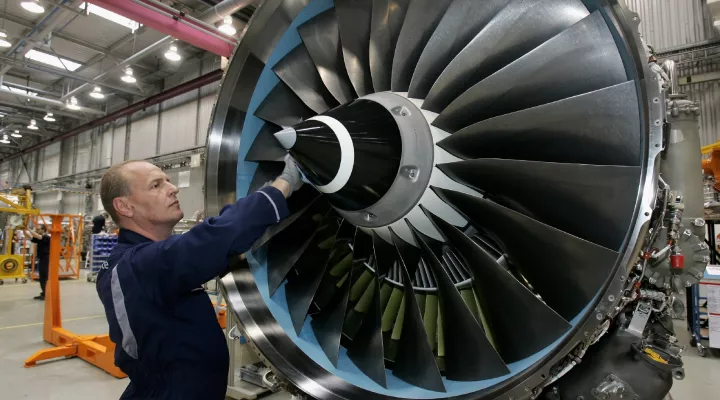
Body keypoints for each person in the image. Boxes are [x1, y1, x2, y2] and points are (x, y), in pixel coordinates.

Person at [96, 155, 302, 399]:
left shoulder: (145, 260)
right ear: (125, 207)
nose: (173, 189)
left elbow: (200, 246)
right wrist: (285, 183)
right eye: (156, 185)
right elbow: (213, 240)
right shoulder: (135, 265)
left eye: (168, 181)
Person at [25, 225, 50, 300]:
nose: (37, 230)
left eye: (38, 229)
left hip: (46, 259)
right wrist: (24, 230)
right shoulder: (40, 238)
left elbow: (37, 236)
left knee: (44, 277)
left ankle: (46, 294)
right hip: (41, 258)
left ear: (43, 230)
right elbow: (30, 237)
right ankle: (44, 293)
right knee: (42, 277)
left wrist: (28, 228)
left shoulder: (46, 237)